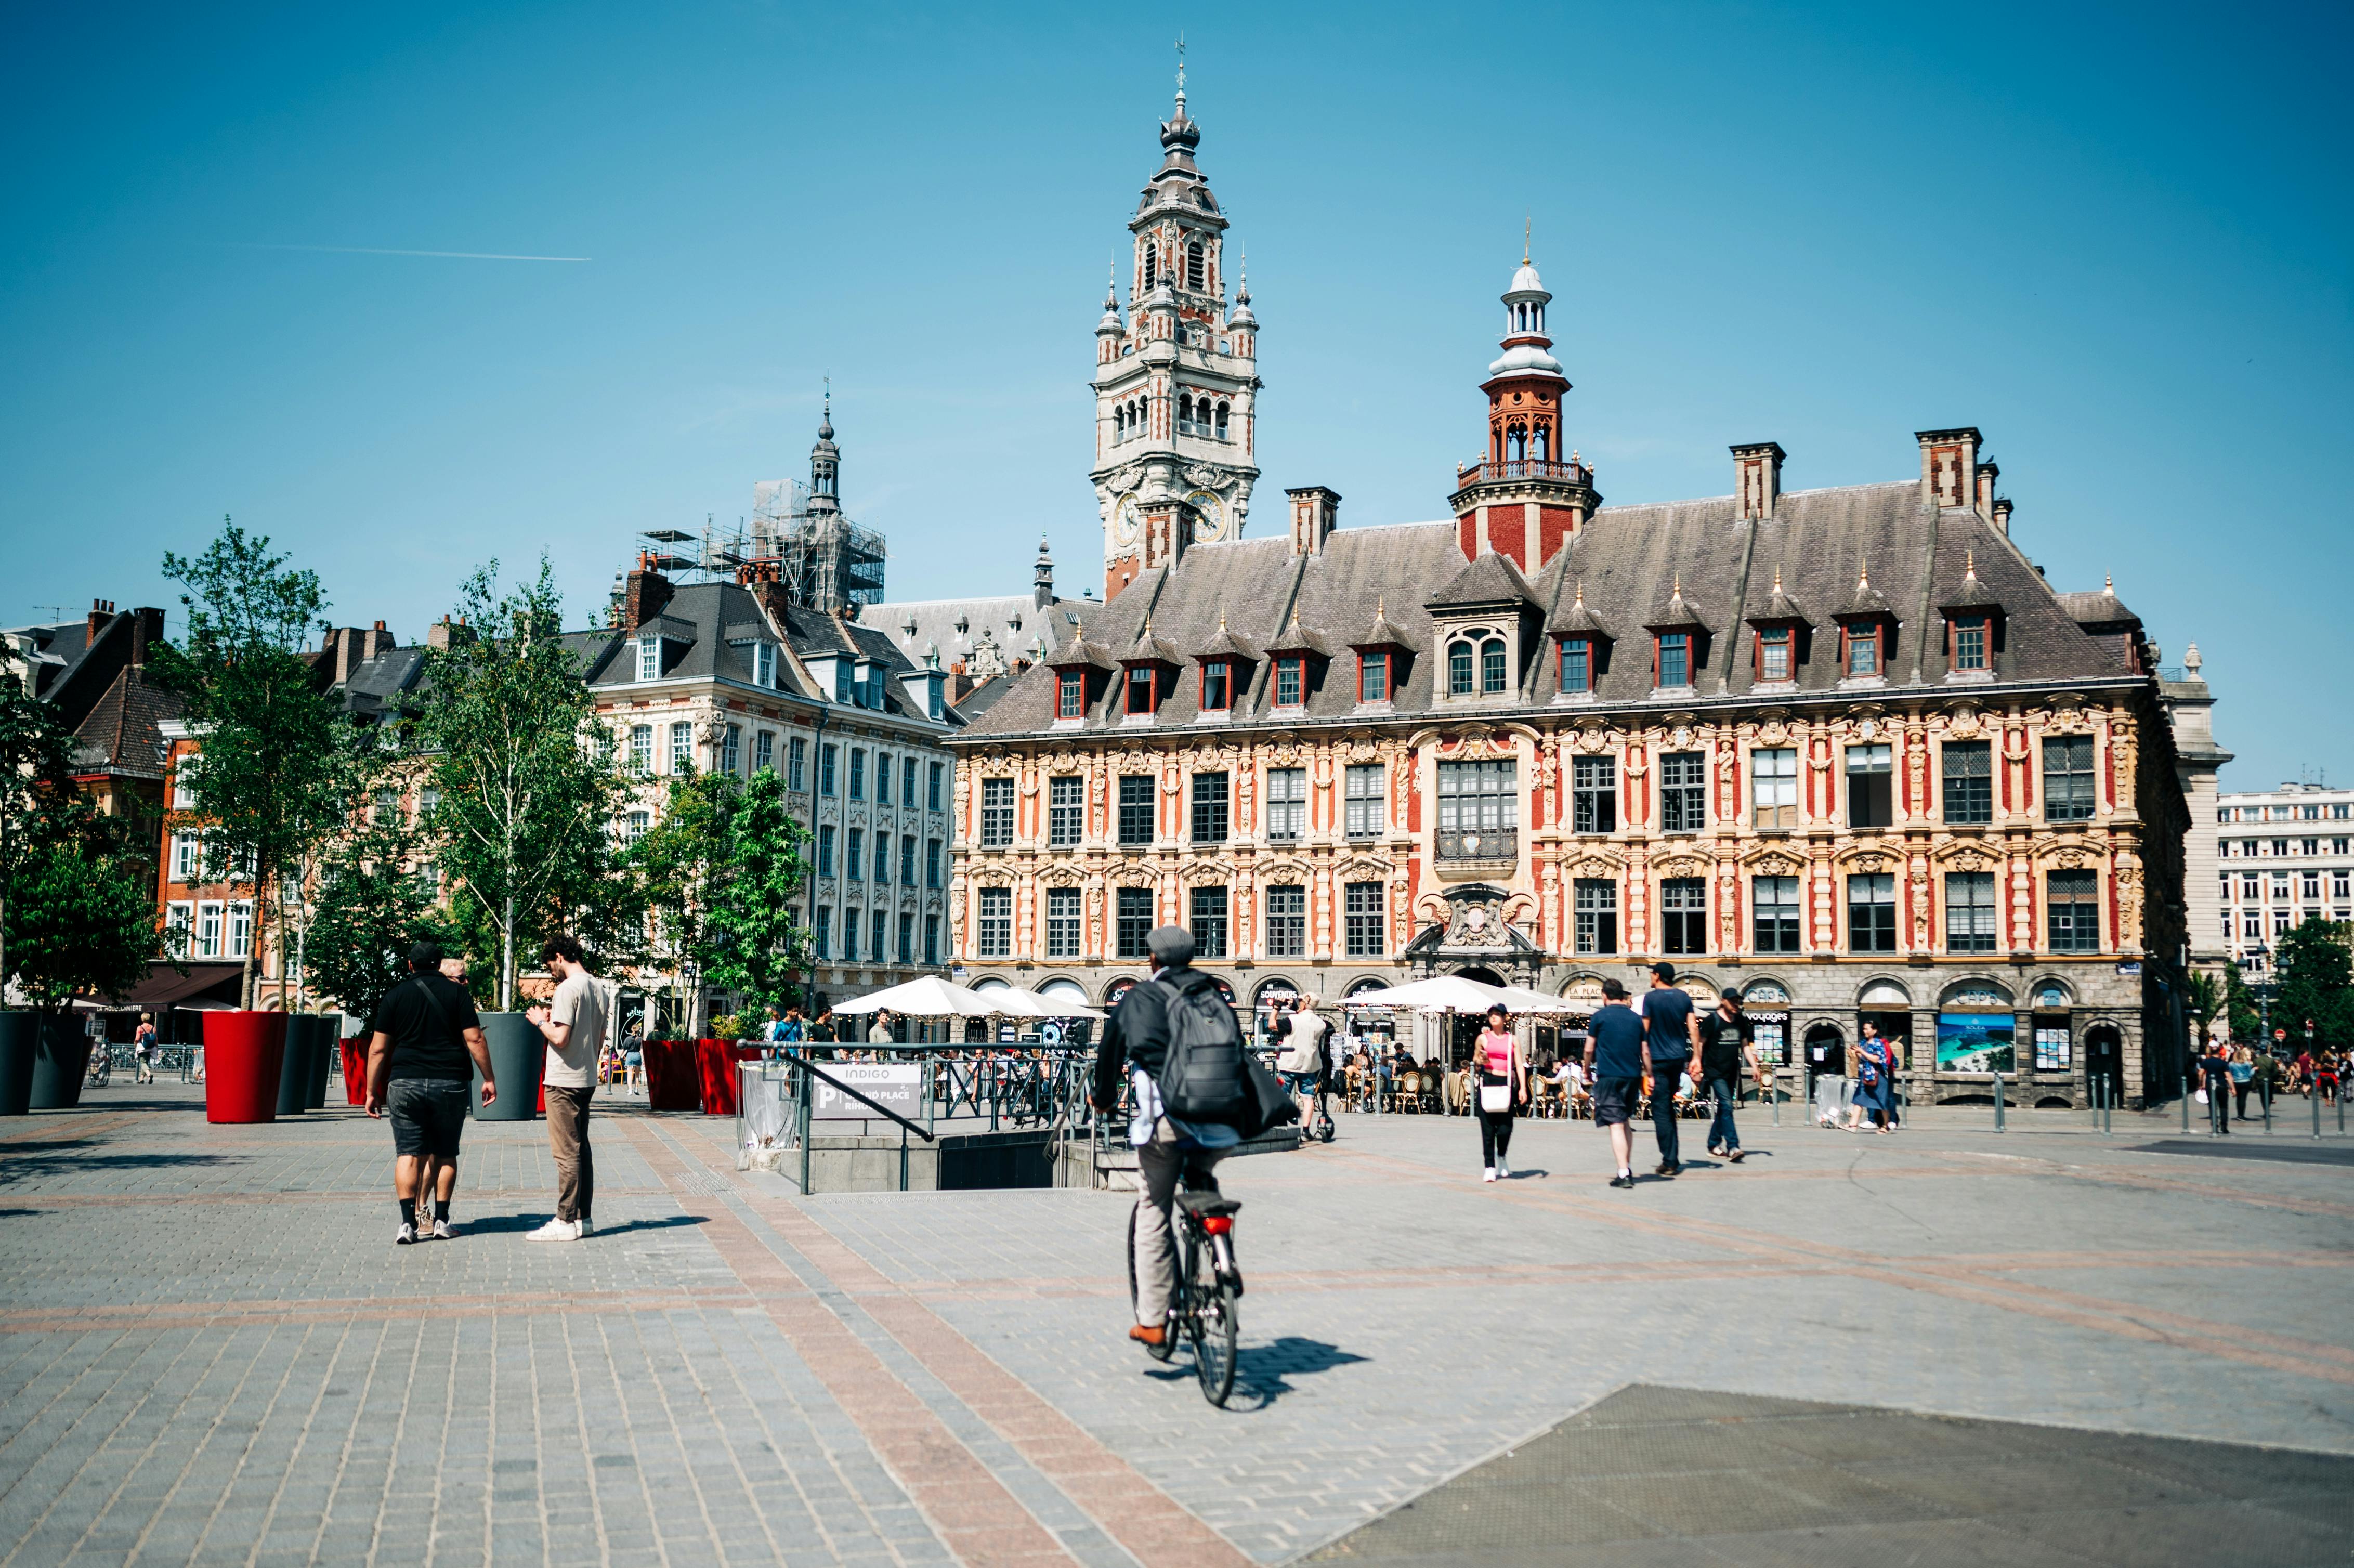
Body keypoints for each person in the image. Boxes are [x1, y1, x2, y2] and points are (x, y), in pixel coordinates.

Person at [1088, 926, 1241, 1349]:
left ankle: (1154, 1320)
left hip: (1166, 1119)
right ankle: (1223, 1257)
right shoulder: (1214, 994)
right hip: (1221, 1117)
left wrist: (1102, 1099)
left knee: (1154, 1206)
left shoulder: (1139, 999)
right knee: (1203, 1178)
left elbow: (1109, 1056)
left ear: (1153, 961)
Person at [365, 941, 493, 1245]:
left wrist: (372, 1091)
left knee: (408, 1154)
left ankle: (408, 1224)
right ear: (439, 965)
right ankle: (441, 1221)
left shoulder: (394, 996)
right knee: (446, 1152)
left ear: (410, 965)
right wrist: (489, 1078)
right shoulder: (458, 993)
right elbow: (475, 1039)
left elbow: (378, 1049)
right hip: (449, 1083)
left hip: (404, 1083)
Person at [524, 935, 608, 1242]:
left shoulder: (566, 989)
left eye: (550, 965)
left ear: (559, 957)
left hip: (563, 1082)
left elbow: (560, 1039)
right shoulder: (599, 988)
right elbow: (598, 1039)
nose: (551, 972)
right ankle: (583, 1218)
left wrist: (538, 1021)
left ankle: (564, 1220)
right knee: (581, 1150)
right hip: (586, 1079)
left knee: (566, 1154)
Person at [1637, 963, 1701, 1175]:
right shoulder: (1684, 997)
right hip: (1678, 1059)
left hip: (1658, 1060)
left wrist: (1645, 1067)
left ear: (1657, 976)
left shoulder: (1651, 998)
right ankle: (1672, 1155)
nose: (1650, 977)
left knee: (1661, 1111)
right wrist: (1696, 1057)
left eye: (1651, 973)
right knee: (1667, 1106)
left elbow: (1645, 1032)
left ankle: (1670, 1160)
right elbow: (1693, 1027)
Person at [1583, 979, 1646, 1188]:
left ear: (1604, 996)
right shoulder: (1636, 1019)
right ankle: (1626, 1166)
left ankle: (1623, 1173)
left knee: (1616, 1124)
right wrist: (1650, 1074)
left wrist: (1586, 1068)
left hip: (1610, 1076)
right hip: (1633, 1076)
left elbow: (1589, 1048)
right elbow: (1645, 1051)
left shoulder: (1599, 1017)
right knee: (1625, 1120)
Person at [1698, 989, 1764, 1162]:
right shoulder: (1712, 1021)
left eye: (1739, 1002)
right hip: (1715, 1071)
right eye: (1733, 1002)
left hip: (1731, 1071)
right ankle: (1733, 1146)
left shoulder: (1740, 1021)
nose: (1737, 1005)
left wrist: (1755, 1067)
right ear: (1723, 1001)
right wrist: (1697, 1063)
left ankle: (1713, 1145)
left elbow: (1745, 1046)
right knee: (1727, 1105)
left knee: (1724, 1109)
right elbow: (1700, 1043)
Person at [1471, 1003, 1527, 1181]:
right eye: (1491, 1014)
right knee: (1487, 1127)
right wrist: (1480, 1058)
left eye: (1497, 1014)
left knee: (1505, 1128)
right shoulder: (1483, 1038)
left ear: (1505, 1018)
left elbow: (1519, 1064)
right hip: (1487, 1081)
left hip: (1506, 1082)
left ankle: (1501, 1155)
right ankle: (1489, 1166)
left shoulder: (1513, 1040)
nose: (1493, 1017)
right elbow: (1475, 1058)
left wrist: (1524, 1088)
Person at [1276, 994, 1330, 1138]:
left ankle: (1285, 1120)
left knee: (1282, 1094)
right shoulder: (1321, 1024)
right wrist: (1297, 1008)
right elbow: (1306, 1021)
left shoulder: (1293, 1020)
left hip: (1289, 1064)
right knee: (1308, 1098)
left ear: (1304, 1003)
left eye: (1300, 1002)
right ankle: (1306, 1131)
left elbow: (1272, 1025)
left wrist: (1276, 1008)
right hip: (1309, 1066)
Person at [1850, 1022, 1896, 1133]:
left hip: (1877, 1076)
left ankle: (1885, 1126)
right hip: (1865, 1075)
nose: (1865, 1031)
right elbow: (1865, 1059)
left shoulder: (1878, 1043)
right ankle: (1853, 1125)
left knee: (1882, 1102)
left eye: (1867, 1029)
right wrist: (1856, 1053)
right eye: (1864, 1029)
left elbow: (1877, 1059)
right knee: (1859, 1099)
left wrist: (1862, 1052)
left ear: (1874, 1031)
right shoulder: (1864, 1043)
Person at [2197, 1041, 2234, 1133]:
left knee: (2212, 1106)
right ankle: (2224, 1127)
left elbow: (2201, 1073)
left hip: (2210, 1086)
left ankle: (2214, 1126)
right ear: (2219, 1051)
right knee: (2224, 1107)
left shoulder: (2206, 1062)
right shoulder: (2223, 1063)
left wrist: (2200, 1084)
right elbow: (2229, 1076)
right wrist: (2233, 1088)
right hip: (2221, 1086)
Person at [132, 1013, 157, 1084]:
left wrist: (135, 1045)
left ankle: (149, 1075)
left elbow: (137, 1038)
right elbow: (156, 1039)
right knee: (145, 1063)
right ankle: (141, 1079)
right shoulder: (153, 1028)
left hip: (142, 1047)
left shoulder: (140, 1027)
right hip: (151, 1048)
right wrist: (156, 1047)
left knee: (142, 1063)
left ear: (142, 1019)